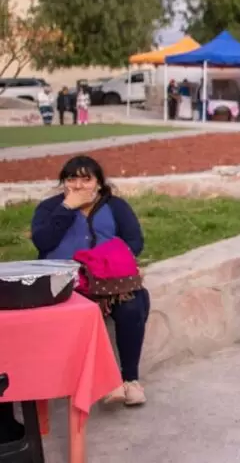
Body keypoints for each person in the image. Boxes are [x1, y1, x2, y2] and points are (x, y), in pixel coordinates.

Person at [30, 155, 150, 406]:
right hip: (65, 282)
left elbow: (134, 242)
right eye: (72, 178)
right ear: (63, 182)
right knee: (83, 312)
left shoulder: (115, 206)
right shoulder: (50, 208)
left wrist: (108, 261)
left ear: (98, 183)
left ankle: (130, 380)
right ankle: (107, 382)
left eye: (86, 179)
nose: (78, 185)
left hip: (108, 280)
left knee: (133, 303)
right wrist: (67, 208)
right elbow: (43, 242)